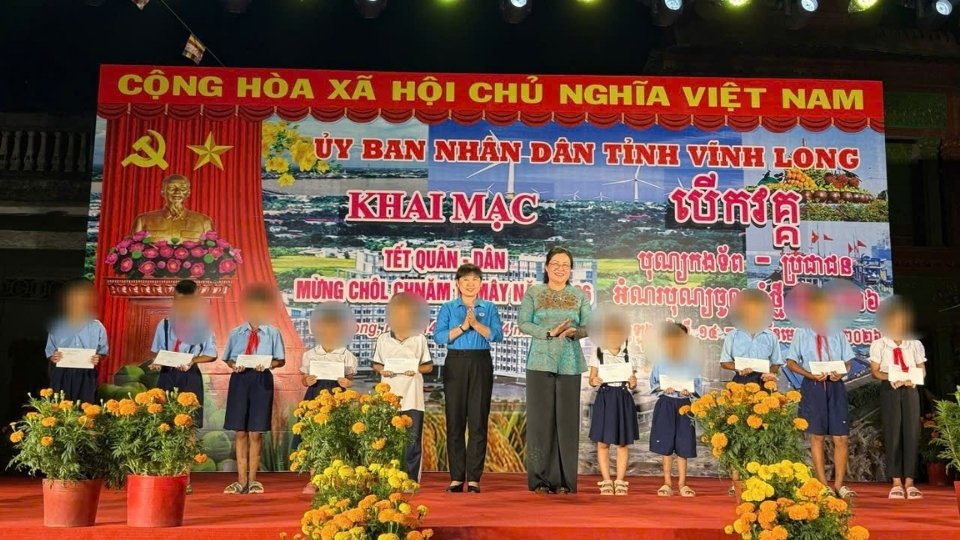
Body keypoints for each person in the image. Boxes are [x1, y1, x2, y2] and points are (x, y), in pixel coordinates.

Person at [518, 246, 591, 494]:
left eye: (565, 265)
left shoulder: (579, 295)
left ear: (571, 270)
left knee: (567, 423)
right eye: (555, 264)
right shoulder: (534, 293)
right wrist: (547, 332)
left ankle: (564, 481)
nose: (560, 268)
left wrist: (575, 332)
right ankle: (539, 480)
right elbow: (523, 323)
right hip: (539, 361)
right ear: (547, 267)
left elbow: (589, 325)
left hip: (569, 362)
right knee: (541, 423)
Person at [434, 263, 503, 494]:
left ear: (481, 284)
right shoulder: (449, 308)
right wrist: (464, 327)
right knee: (454, 421)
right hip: (456, 362)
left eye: (475, 280)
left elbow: (497, 335)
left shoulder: (490, 307)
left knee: (477, 421)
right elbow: (440, 336)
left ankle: (474, 478)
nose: (470, 284)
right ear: (458, 284)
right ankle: (456, 477)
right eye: (465, 280)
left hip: (481, 362)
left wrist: (476, 325)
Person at [785, 288, 857, 499]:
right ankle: (823, 485)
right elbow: (790, 362)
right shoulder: (802, 332)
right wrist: (808, 373)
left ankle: (840, 485)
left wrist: (840, 372)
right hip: (813, 386)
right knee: (816, 436)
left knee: (841, 437)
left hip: (835, 386)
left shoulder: (838, 332)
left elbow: (848, 361)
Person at [148, 278, 217, 494]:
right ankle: (166, 472)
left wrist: (193, 360)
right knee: (165, 424)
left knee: (187, 428)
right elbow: (158, 352)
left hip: (189, 377)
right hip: (167, 376)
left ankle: (184, 477)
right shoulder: (165, 324)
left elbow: (211, 354)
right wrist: (157, 363)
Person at [221, 284, 286, 495]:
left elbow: (280, 360)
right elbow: (229, 359)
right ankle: (240, 481)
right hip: (240, 380)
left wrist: (268, 364)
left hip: (261, 381)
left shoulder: (273, 333)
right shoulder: (236, 333)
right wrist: (234, 365)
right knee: (240, 432)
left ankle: (253, 480)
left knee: (256, 433)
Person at [295, 302, 358, 494]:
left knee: (336, 436)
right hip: (314, 396)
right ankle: (314, 480)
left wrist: (347, 383)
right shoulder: (310, 355)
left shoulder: (346, 355)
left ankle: (334, 479)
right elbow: (304, 380)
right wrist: (307, 379)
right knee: (314, 437)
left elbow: (350, 380)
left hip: (337, 397)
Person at [372, 293, 433, 481]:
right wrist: (383, 371)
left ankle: (410, 479)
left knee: (412, 442)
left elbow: (428, 367)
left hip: (413, 398)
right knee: (385, 439)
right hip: (388, 399)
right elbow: (376, 364)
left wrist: (414, 368)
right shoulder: (383, 339)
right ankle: (386, 477)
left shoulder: (419, 339)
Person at [869, 298, 925, 500]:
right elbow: (875, 372)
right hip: (890, 390)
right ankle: (896, 482)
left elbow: (922, 369)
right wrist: (891, 377)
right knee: (893, 434)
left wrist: (913, 379)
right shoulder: (879, 344)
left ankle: (910, 482)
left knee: (911, 433)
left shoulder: (915, 344)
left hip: (910, 391)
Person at [586, 313, 637, 496]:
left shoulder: (629, 354)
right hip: (605, 397)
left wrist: (632, 382)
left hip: (622, 397)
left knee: (622, 442)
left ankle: (621, 480)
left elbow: (633, 381)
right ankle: (607, 480)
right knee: (603, 442)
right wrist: (595, 380)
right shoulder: (598, 352)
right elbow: (591, 380)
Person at [649, 322, 702, 498]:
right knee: (665, 444)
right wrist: (664, 388)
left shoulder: (692, 362)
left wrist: (690, 391)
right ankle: (666, 483)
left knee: (683, 444)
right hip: (666, 403)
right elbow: (654, 383)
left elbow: (698, 386)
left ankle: (682, 484)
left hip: (685, 404)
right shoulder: (660, 360)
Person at [44, 279, 108, 404]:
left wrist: (98, 357)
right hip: (62, 373)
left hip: (86, 374)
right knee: (60, 407)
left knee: (84, 407)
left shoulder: (97, 327)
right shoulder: (57, 325)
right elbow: (50, 351)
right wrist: (53, 357)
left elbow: (103, 352)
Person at [720, 289, 783, 385]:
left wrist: (769, 372)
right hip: (741, 379)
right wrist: (738, 367)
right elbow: (724, 362)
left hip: (764, 380)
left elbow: (776, 363)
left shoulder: (771, 336)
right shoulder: (732, 335)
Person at [132, 174, 213, 243]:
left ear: (188, 192)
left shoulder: (203, 222)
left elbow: (213, 254)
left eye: (182, 188)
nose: (177, 192)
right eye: (171, 188)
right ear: (163, 192)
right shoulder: (143, 220)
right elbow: (133, 251)